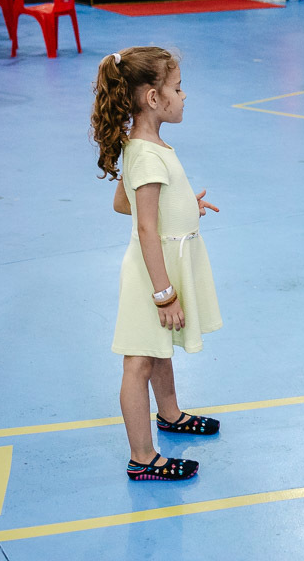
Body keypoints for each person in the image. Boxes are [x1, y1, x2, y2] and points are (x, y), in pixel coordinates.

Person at [90, 47, 224, 481]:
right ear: (152, 97)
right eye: (178, 88)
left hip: (160, 265)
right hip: (153, 273)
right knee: (139, 362)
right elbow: (147, 229)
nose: (184, 96)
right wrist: (164, 293)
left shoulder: (146, 146)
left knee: (158, 349)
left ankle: (170, 414)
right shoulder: (147, 154)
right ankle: (143, 457)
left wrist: (184, 205)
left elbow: (121, 202)